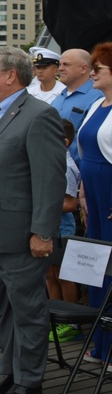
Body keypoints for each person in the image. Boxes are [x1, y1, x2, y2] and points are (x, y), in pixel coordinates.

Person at [0, 47, 65, 394]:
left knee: (27, 309)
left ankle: (29, 380)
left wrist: (42, 232)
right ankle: (7, 371)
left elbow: (49, 179)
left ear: (10, 76)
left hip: (21, 234)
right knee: (2, 308)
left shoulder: (40, 115)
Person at [78, 42, 112, 366]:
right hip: (94, 193)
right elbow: (84, 152)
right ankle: (101, 345)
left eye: (98, 69)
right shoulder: (96, 105)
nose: (93, 74)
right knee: (99, 266)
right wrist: (83, 192)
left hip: (111, 193)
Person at [46, 119, 82, 343]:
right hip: (49, 229)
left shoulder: (66, 166)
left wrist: (43, 204)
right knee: (50, 275)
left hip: (63, 230)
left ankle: (71, 322)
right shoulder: (51, 163)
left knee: (64, 276)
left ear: (65, 142)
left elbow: (70, 204)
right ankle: (56, 317)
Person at [51, 48, 103, 169]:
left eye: (66, 64)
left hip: (81, 171)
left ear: (84, 68)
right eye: (60, 64)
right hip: (56, 168)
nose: (60, 69)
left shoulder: (98, 98)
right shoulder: (58, 98)